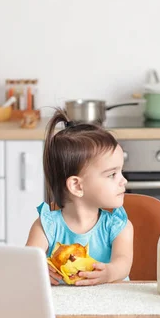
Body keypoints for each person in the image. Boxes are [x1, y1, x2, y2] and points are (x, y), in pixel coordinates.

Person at [26, 108, 133, 285]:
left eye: (121, 171)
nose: (124, 180)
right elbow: (26, 263)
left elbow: (123, 263)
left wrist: (109, 273)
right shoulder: (46, 226)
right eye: (112, 174)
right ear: (77, 185)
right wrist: (38, 269)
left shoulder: (119, 226)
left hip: (111, 306)